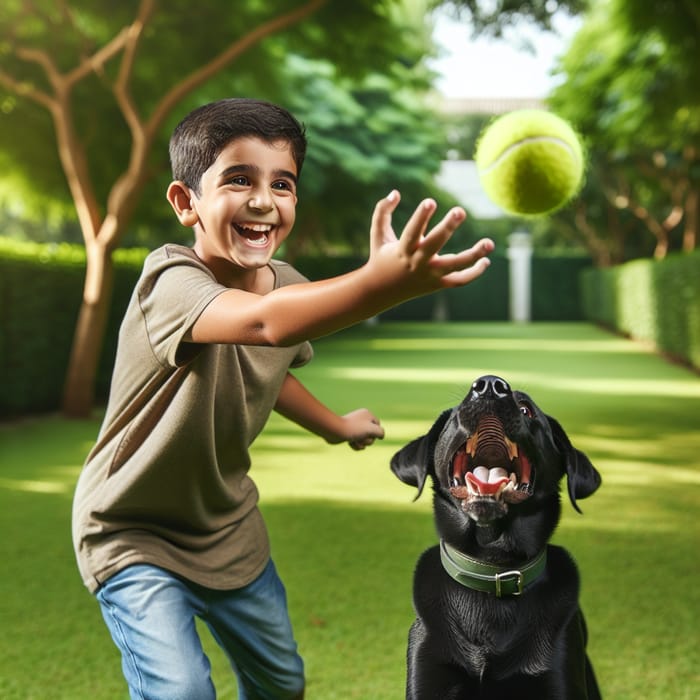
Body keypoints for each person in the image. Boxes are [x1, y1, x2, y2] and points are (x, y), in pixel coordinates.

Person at [71, 97, 494, 700]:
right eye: (239, 179)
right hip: (131, 529)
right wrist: (382, 283)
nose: (264, 200)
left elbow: (267, 369)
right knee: (183, 691)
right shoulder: (169, 283)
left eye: (282, 184)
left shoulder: (286, 285)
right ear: (185, 202)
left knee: (282, 684)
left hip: (226, 527)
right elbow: (265, 327)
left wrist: (334, 426)